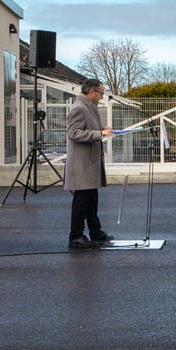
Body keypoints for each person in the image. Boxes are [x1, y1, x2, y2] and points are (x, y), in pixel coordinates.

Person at [64, 78, 115, 249]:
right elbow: (74, 133)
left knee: (91, 201)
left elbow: (91, 129)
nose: (102, 97)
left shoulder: (89, 107)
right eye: (101, 93)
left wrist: (102, 130)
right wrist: (98, 134)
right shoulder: (79, 108)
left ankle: (96, 232)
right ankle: (76, 236)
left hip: (90, 162)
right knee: (82, 201)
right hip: (82, 164)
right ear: (92, 92)